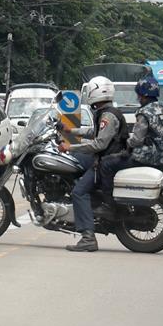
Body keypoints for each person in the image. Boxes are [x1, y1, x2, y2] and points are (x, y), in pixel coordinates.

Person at [58, 77, 129, 253]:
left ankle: (88, 238)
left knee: (79, 192)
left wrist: (70, 147)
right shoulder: (105, 112)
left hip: (107, 161)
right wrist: (70, 130)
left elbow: (99, 144)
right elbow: (93, 131)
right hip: (107, 159)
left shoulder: (108, 115)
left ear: (95, 92)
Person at [100, 75, 163, 205]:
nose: (138, 98)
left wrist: (126, 144)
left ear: (143, 95)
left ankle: (108, 204)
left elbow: (137, 140)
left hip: (148, 158)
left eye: (139, 95)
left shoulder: (144, 112)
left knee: (106, 163)